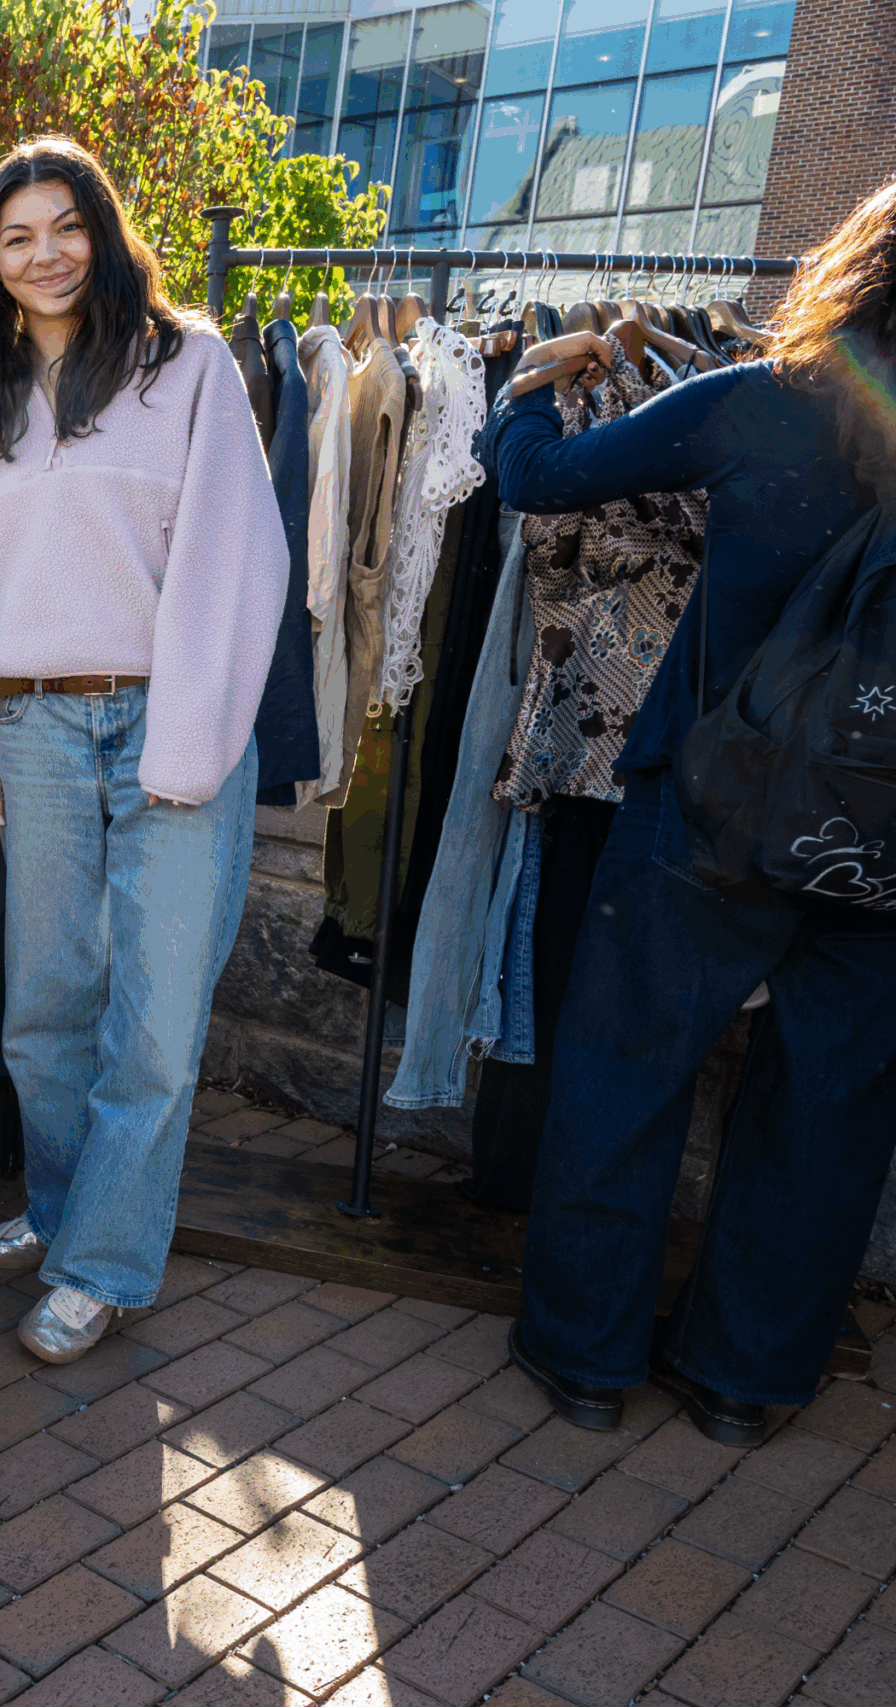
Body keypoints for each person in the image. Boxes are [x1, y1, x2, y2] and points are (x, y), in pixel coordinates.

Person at [485, 178, 896, 1445]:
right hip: (881, 834)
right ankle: (742, 1380)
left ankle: (585, 1358)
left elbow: (543, 477)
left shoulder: (767, 400)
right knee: (828, 1105)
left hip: (715, 802)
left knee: (627, 1068)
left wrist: (518, 387)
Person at [0, 136, 287, 1364]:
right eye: (16, 237)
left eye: (66, 226)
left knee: (156, 1018)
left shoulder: (191, 369)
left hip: (163, 715)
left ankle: (105, 1266)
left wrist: (186, 744)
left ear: (105, 232)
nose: (45, 254)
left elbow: (237, 561)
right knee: (46, 1009)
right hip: (30, 723)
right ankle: (65, 1211)